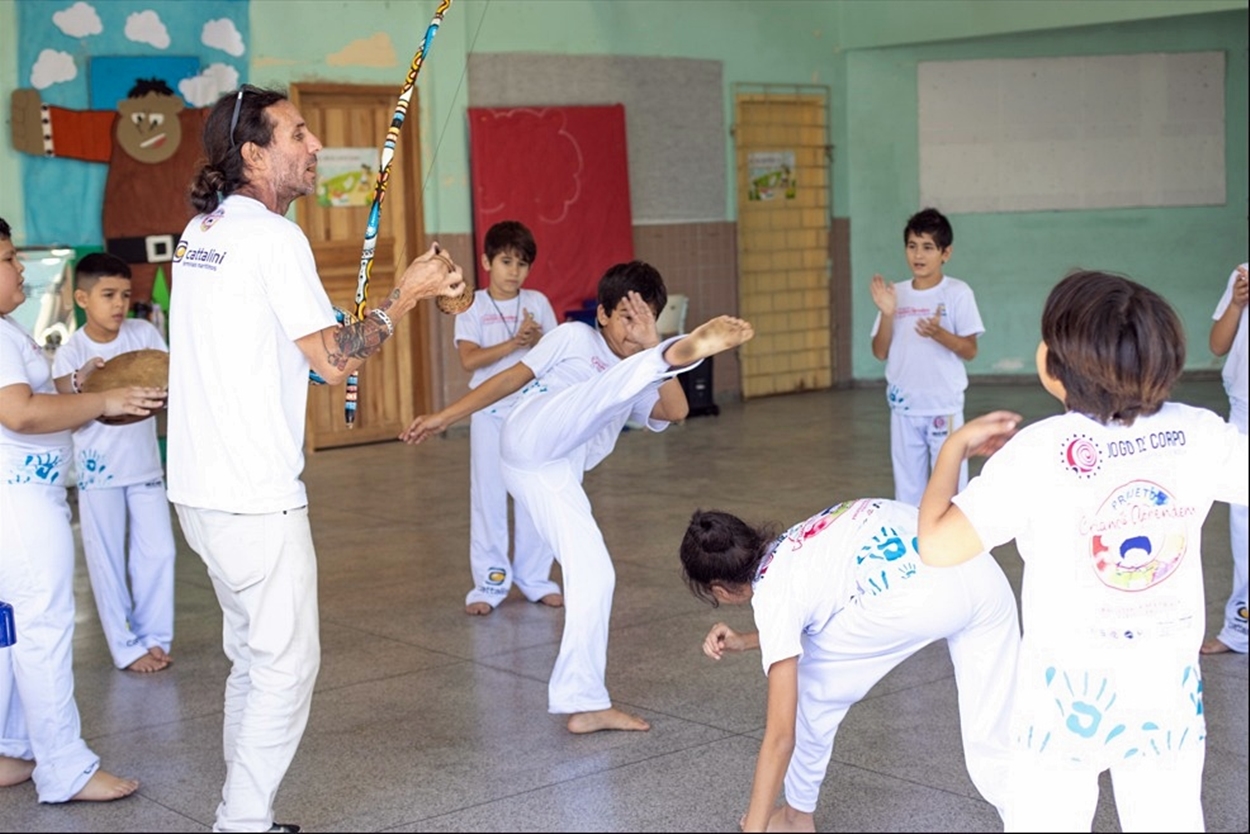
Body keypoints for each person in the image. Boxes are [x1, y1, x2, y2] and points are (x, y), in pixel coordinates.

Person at [167, 86, 465, 833]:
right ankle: (240, 824)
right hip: (253, 496)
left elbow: (275, 344)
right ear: (255, 155)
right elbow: (334, 361)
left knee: (252, 658)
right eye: (300, 134)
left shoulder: (200, 230)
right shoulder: (272, 239)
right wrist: (408, 293)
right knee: (285, 668)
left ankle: (242, 814)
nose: (316, 146)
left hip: (199, 492)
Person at [918, 270, 1249, 832]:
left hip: (1061, 701)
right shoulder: (1197, 432)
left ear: (1056, 367)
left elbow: (937, 545)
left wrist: (955, 448)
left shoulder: (1036, 452)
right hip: (1165, 694)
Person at [402, 261, 754, 733]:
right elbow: (512, 379)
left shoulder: (633, 369)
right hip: (530, 431)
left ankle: (584, 700)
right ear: (603, 314)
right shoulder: (574, 338)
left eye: (647, 320)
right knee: (601, 388)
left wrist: (649, 351)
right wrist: (447, 416)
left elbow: (677, 411)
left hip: (553, 475)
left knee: (596, 575)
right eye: (628, 318)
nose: (636, 328)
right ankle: (679, 353)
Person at [679, 498, 1018, 833]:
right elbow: (806, 619)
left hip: (920, 596)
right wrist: (746, 640)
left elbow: (781, 736)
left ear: (719, 590)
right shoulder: (801, 538)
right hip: (977, 568)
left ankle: (797, 818)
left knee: (810, 687)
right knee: (996, 737)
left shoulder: (773, 594)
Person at [0, 215, 163, 803]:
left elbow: (31, 395)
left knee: (12, 630)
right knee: (42, 627)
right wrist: (104, 399)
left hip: (23, 493)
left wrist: (77, 382)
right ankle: (65, 768)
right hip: (17, 500)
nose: (19, 268)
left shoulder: (6, 329)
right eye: (8, 258)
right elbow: (17, 414)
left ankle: (8, 747)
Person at [51, 253, 175, 674]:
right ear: (81, 298)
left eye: (124, 294)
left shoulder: (144, 334)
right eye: (108, 295)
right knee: (107, 564)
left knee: (159, 553)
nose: (119, 304)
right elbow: (62, 405)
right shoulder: (72, 353)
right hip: (97, 474)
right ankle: (126, 647)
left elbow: (167, 382)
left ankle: (155, 640)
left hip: (146, 469)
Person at [454, 220, 561, 615]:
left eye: (522, 263)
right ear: (486, 262)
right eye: (505, 261)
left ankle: (535, 578)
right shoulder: (473, 306)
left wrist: (536, 342)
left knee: (534, 496)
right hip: (488, 413)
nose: (514, 271)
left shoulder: (538, 303)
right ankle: (490, 582)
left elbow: (556, 354)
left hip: (532, 413)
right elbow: (468, 359)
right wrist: (513, 343)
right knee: (488, 498)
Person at [869, 207, 983, 507]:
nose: (918, 255)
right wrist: (887, 313)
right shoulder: (896, 294)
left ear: (945, 253)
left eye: (928, 247)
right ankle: (913, 548)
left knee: (950, 489)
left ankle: (951, 551)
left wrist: (939, 334)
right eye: (912, 246)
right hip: (904, 406)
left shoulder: (957, 293)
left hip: (942, 406)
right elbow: (880, 351)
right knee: (908, 492)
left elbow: (970, 351)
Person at [1203, 262, 1248, 655]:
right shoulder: (1243, 275)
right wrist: (1236, 304)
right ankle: (1241, 627)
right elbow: (1217, 345)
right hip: (1246, 413)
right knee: (1245, 529)